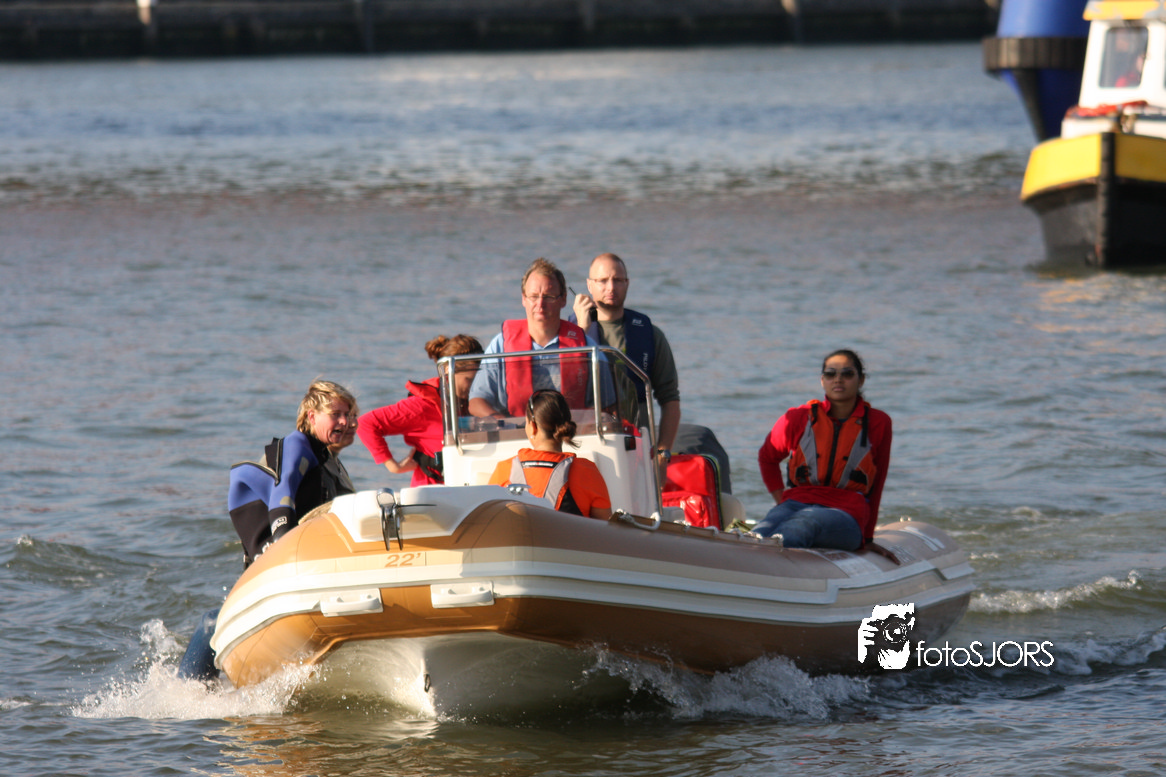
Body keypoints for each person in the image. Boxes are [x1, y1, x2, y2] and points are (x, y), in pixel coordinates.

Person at [571, 252, 732, 491]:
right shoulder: (569, 335)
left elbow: (670, 399)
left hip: (637, 450)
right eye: (602, 280)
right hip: (586, 448)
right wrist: (581, 331)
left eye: (618, 280)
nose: (611, 287)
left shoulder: (650, 335)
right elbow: (561, 390)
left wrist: (662, 453)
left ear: (627, 283)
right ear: (589, 285)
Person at [753, 349, 892, 550]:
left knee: (802, 524)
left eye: (847, 374)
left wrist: (868, 538)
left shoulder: (879, 422)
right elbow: (767, 457)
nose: (838, 379)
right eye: (830, 374)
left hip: (847, 513)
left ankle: (775, 565)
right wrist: (781, 499)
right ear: (822, 380)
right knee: (758, 534)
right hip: (794, 504)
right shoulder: (798, 417)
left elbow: (878, 482)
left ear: (861, 380)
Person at [228, 379, 359, 567]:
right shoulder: (296, 445)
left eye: (346, 414)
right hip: (277, 558)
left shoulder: (326, 459)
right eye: (335, 414)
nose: (345, 421)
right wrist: (284, 543)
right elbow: (282, 495)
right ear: (312, 417)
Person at [469, 257, 607, 418]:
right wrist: (503, 423)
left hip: (571, 430)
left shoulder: (587, 347)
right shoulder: (501, 346)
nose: (540, 304)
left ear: (563, 299)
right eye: (534, 296)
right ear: (524, 299)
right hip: (515, 430)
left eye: (548, 297)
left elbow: (608, 405)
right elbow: (476, 401)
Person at [358, 334, 483, 486]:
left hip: (474, 484)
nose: (475, 386)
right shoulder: (422, 406)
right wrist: (393, 466)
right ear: (447, 371)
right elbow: (366, 424)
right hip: (433, 491)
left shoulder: (481, 400)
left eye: (479, 379)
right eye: (469, 379)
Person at [488, 389, 612, 519]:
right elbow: (604, 525)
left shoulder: (504, 470)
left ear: (533, 427)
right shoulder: (588, 472)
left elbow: (488, 520)